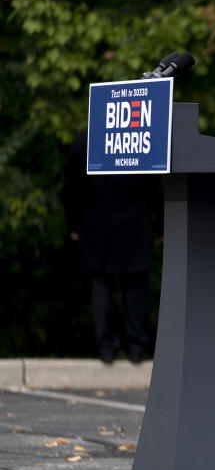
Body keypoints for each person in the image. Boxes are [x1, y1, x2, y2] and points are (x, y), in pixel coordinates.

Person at [61, 129, 163, 364]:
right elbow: (156, 185)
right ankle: (136, 347)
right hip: (135, 224)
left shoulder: (85, 138)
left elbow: (69, 186)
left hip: (95, 224)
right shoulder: (141, 138)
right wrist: (161, 225)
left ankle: (106, 347)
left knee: (101, 284)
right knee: (135, 286)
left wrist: (74, 223)